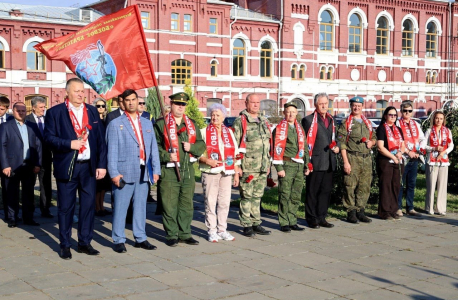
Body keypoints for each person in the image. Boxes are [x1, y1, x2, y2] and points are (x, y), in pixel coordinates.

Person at [44, 78, 107, 260]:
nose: (80, 94)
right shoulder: (55, 113)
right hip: (68, 166)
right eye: (76, 91)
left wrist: (102, 165)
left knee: (88, 207)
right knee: (66, 208)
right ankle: (65, 244)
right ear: (67, 92)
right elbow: (48, 138)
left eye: (82, 91)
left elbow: (101, 142)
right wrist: (68, 144)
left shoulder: (93, 112)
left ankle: (85, 242)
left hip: (88, 167)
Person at [106, 89, 161, 253]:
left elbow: (153, 149)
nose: (131, 103)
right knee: (121, 208)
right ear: (122, 102)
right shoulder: (116, 123)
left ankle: (140, 237)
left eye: (133, 99)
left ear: (138, 101)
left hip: (144, 171)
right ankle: (118, 239)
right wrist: (114, 173)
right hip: (124, 171)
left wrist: (156, 170)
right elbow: (112, 151)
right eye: (127, 100)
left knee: (140, 207)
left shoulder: (146, 122)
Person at [154, 92, 206, 247]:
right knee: (169, 204)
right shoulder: (161, 124)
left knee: (186, 205)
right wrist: (166, 156)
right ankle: (171, 234)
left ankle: (185, 233)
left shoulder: (191, 124)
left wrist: (193, 147)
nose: (180, 107)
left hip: (188, 170)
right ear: (171, 104)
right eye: (177, 104)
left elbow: (201, 143)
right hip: (169, 171)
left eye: (183, 104)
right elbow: (153, 147)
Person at [199, 103, 240, 242]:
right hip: (210, 171)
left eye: (218, 115)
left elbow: (235, 152)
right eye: (213, 115)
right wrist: (206, 160)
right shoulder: (203, 132)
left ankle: (222, 229)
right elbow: (195, 153)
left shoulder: (229, 132)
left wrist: (236, 172)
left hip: (226, 171)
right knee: (210, 201)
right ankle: (211, 230)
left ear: (223, 117)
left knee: (224, 202)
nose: (215, 117)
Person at [232, 93, 272, 237]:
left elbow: (267, 145)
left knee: (257, 196)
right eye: (253, 102)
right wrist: (237, 167)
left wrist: (268, 165)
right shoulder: (240, 121)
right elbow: (235, 146)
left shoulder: (263, 121)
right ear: (246, 103)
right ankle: (246, 224)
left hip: (261, 166)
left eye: (258, 102)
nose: (256, 105)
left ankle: (256, 222)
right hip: (248, 166)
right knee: (246, 196)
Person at [302, 93, 339, 229]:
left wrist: (338, 147)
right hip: (316, 161)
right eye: (321, 104)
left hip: (329, 161)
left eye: (326, 103)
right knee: (313, 191)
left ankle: (322, 217)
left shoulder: (332, 120)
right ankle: (311, 218)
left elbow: (337, 138)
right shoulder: (308, 120)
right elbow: (305, 143)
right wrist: (307, 162)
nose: (324, 106)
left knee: (325, 191)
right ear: (316, 105)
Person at [1, 102, 41, 228]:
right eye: (18, 110)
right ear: (13, 111)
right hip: (12, 165)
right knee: (12, 193)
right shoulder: (6, 126)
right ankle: (12, 218)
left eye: (23, 110)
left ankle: (28, 217)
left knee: (28, 193)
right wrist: (5, 165)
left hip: (28, 165)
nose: (21, 112)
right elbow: (1, 146)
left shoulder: (32, 126)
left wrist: (37, 163)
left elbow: (38, 145)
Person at [337, 96, 376, 224]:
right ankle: (351, 212)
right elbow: (341, 143)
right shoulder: (346, 123)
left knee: (364, 186)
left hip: (366, 159)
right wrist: (346, 162)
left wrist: (372, 142)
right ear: (351, 106)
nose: (356, 108)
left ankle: (361, 211)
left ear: (362, 107)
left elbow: (374, 137)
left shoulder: (367, 123)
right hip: (352, 157)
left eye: (359, 106)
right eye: (354, 105)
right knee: (350, 185)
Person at [272, 102, 310, 232]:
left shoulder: (299, 128)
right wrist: (279, 168)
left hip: (299, 166)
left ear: (296, 113)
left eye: (293, 112)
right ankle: (284, 222)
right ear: (284, 113)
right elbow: (275, 148)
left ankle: (292, 220)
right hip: (287, 166)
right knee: (284, 194)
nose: (290, 114)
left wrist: (307, 165)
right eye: (288, 112)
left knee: (296, 195)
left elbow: (304, 147)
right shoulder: (279, 128)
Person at [25, 97, 54, 219]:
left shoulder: (47, 120)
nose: (44, 109)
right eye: (41, 107)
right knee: (29, 186)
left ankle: (45, 209)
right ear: (34, 107)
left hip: (46, 158)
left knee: (46, 185)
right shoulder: (27, 120)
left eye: (44, 107)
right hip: (31, 159)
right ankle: (29, 212)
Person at [421, 111, 454, 216]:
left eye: (441, 118)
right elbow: (423, 145)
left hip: (443, 161)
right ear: (433, 119)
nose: (439, 120)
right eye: (437, 118)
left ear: (443, 120)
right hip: (432, 161)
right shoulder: (429, 131)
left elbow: (451, 145)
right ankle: (429, 207)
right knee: (431, 185)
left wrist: (444, 152)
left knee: (442, 185)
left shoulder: (447, 131)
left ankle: (440, 208)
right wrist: (434, 148)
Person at [376, 106, 406, 220]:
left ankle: (393, 210)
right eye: (390, 115)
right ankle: (384, 211)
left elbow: (403, 145)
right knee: (386, 186)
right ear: (385, 116)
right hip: (386, 161)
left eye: (394, 115)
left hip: (397, 160)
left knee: (396, 185)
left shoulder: (398, 129)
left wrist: (400, 153)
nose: (393, 117)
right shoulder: (382, 129)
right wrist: (392, 156)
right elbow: (380, 147)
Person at [396, 101, 425, 217]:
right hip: (403, 157)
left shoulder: (416, 124)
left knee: (411, 184)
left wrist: (419, 151)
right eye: (405, 111)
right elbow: (397, 140)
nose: (407, 113)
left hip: (414, 158)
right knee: (400, 184)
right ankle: (398, 207)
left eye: (409, 111)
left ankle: (410, 207)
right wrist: (408, 151)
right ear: (401, 111)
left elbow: (422, 139)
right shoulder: (398, 123)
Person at [92, 98, 111, 217]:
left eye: (103, 106)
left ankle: (102, 206)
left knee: (104, 185)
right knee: (97, 184)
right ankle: (96, 207)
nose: (101, 108)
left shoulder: (106, 121)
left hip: (106, 154)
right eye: (98, 106)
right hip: (96, 154)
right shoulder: (93, 120)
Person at [0, 96, 13, 220]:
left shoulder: (11, 120)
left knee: (7, 188)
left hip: (6, 160)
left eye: (2, 109)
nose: (0, 111)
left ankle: (9, 215)